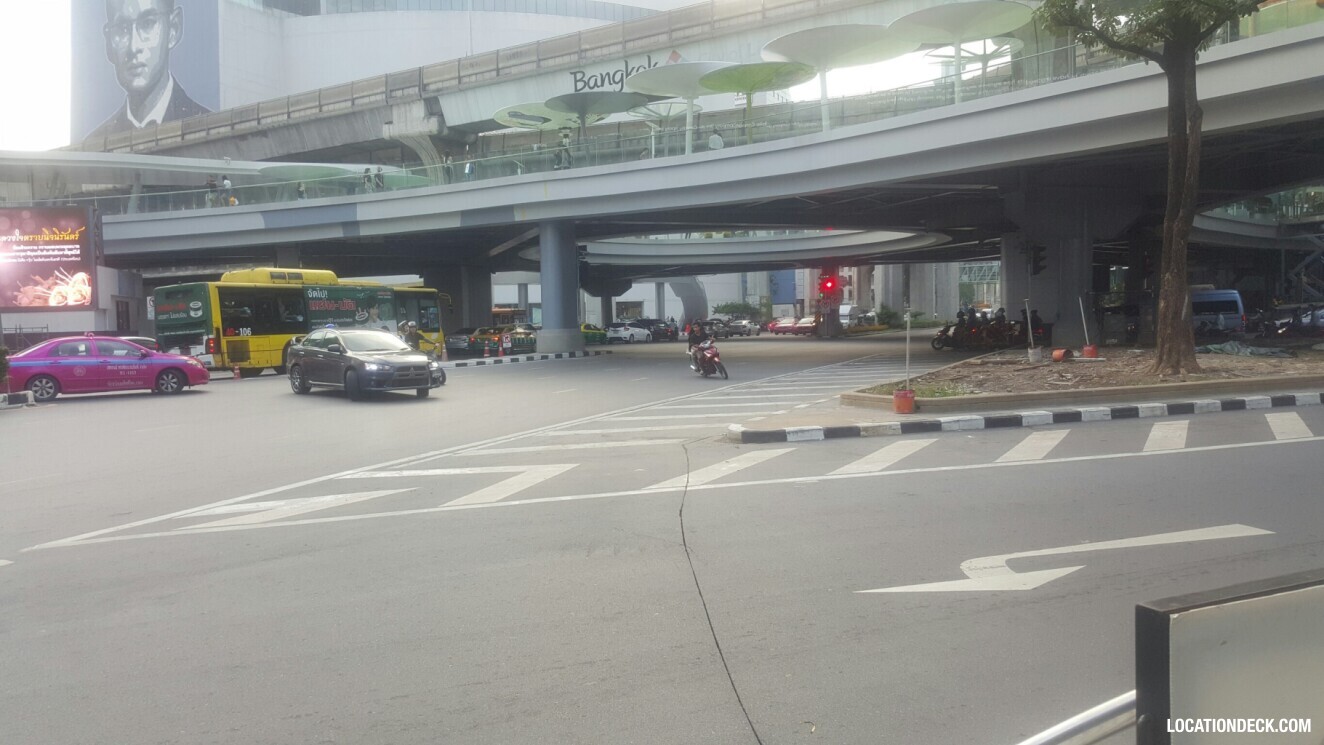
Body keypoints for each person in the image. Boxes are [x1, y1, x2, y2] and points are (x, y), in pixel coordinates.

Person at [87, 0, 212, 140]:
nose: (133, 47)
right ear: (108, 44)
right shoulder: (93, 146)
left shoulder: (212, 134)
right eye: (122, 28)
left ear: (173, 29)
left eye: (147, 24)